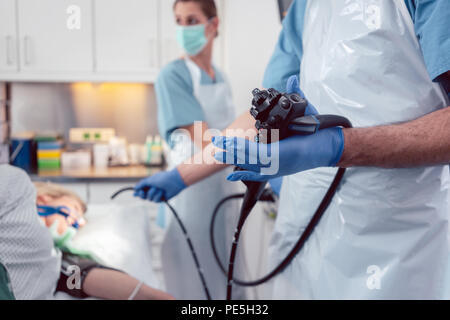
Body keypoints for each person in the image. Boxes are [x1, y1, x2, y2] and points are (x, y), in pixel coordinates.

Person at [134, 0, 247, 299]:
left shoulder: (220, 77)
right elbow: (208, 143)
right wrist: (258, 155)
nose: (184, 29)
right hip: (190, 197)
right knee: (193, 290)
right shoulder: (173, 76)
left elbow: (231, 137)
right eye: (179, 21)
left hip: (222, 196)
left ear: (213, 24)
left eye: (192, 20)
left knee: (226, 284)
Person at [34, 182, 174, 300]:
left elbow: (79, 276)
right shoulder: (20, 218)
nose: (80, 223)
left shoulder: (60, 263)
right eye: (75, 209)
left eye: (81, 220)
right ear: (44, 198)